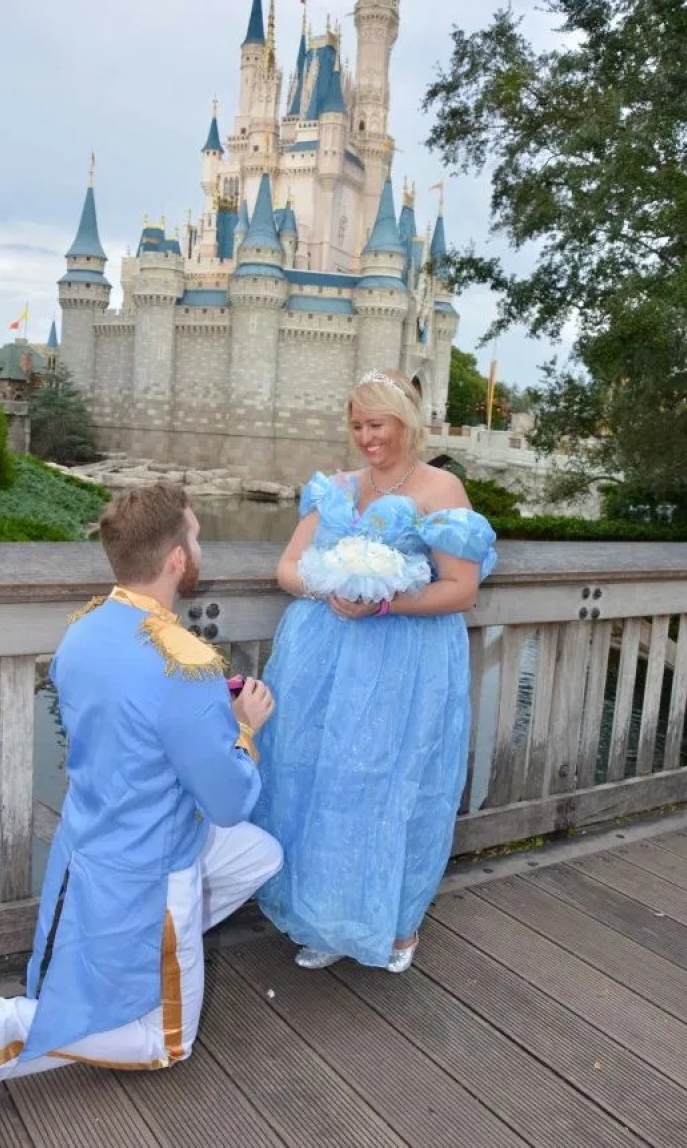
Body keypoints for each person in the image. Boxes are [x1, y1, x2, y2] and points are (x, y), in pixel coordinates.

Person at [0, 482, 281, 1118]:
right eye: (197, 536)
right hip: (154, 864)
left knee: (260, 855)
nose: (200, 545)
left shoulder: (85, 630)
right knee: (170, 1043)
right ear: (177, 558)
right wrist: (240, 728)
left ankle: (144, 972)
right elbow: (228, 801)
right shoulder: (187, 666)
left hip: (92, 839)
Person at [253, 369, 496, 974]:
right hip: (324, 660)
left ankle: (396, 923)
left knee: (389, 783)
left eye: (377, 424)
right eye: (357, 426)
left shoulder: (441, 490)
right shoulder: (336, 488)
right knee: (322, 782)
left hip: (404, 663)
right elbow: (287, 566)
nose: (366, 438)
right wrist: (330, 582)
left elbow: (461, 590)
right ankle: (327, 917)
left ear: (406, 422)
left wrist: (385, 601)